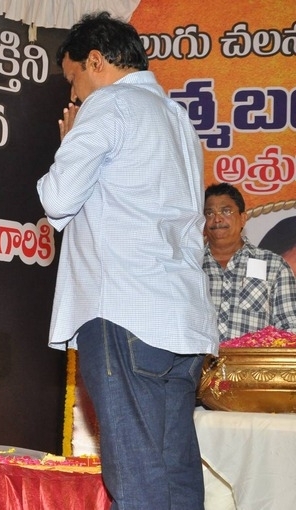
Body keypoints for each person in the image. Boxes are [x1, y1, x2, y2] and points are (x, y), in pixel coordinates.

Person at [36, 12, 217, 510]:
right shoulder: (177, 118)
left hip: (125, 312)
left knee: (136, 476)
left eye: (74, 80)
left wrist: (70, 142)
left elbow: (58, 199)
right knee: (175, 474)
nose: (74, 98)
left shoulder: (111, 104)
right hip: (180, 324)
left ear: (95, 60)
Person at [203, 183, 296, 341]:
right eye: (209, 213)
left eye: (226, 211)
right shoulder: (189, 266)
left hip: (253, 365)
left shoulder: (273, 265)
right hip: (197, 364)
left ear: (243, 219)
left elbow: (290, 329)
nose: (217, 219)